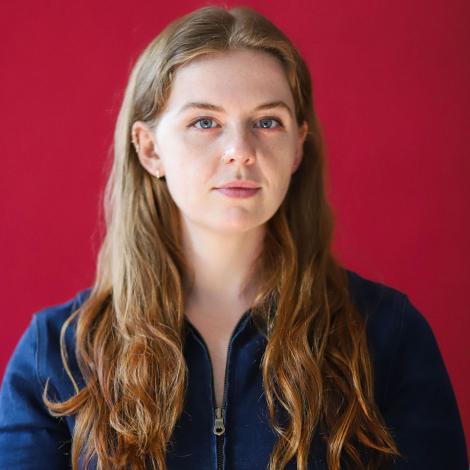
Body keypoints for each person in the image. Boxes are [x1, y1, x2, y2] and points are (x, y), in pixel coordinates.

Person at [0, 5, 467, 470]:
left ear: (297, 147)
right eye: (205, 122)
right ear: (149, 148)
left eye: (267, 122)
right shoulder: (55, 355)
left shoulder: (388, 334)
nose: (240, 151)